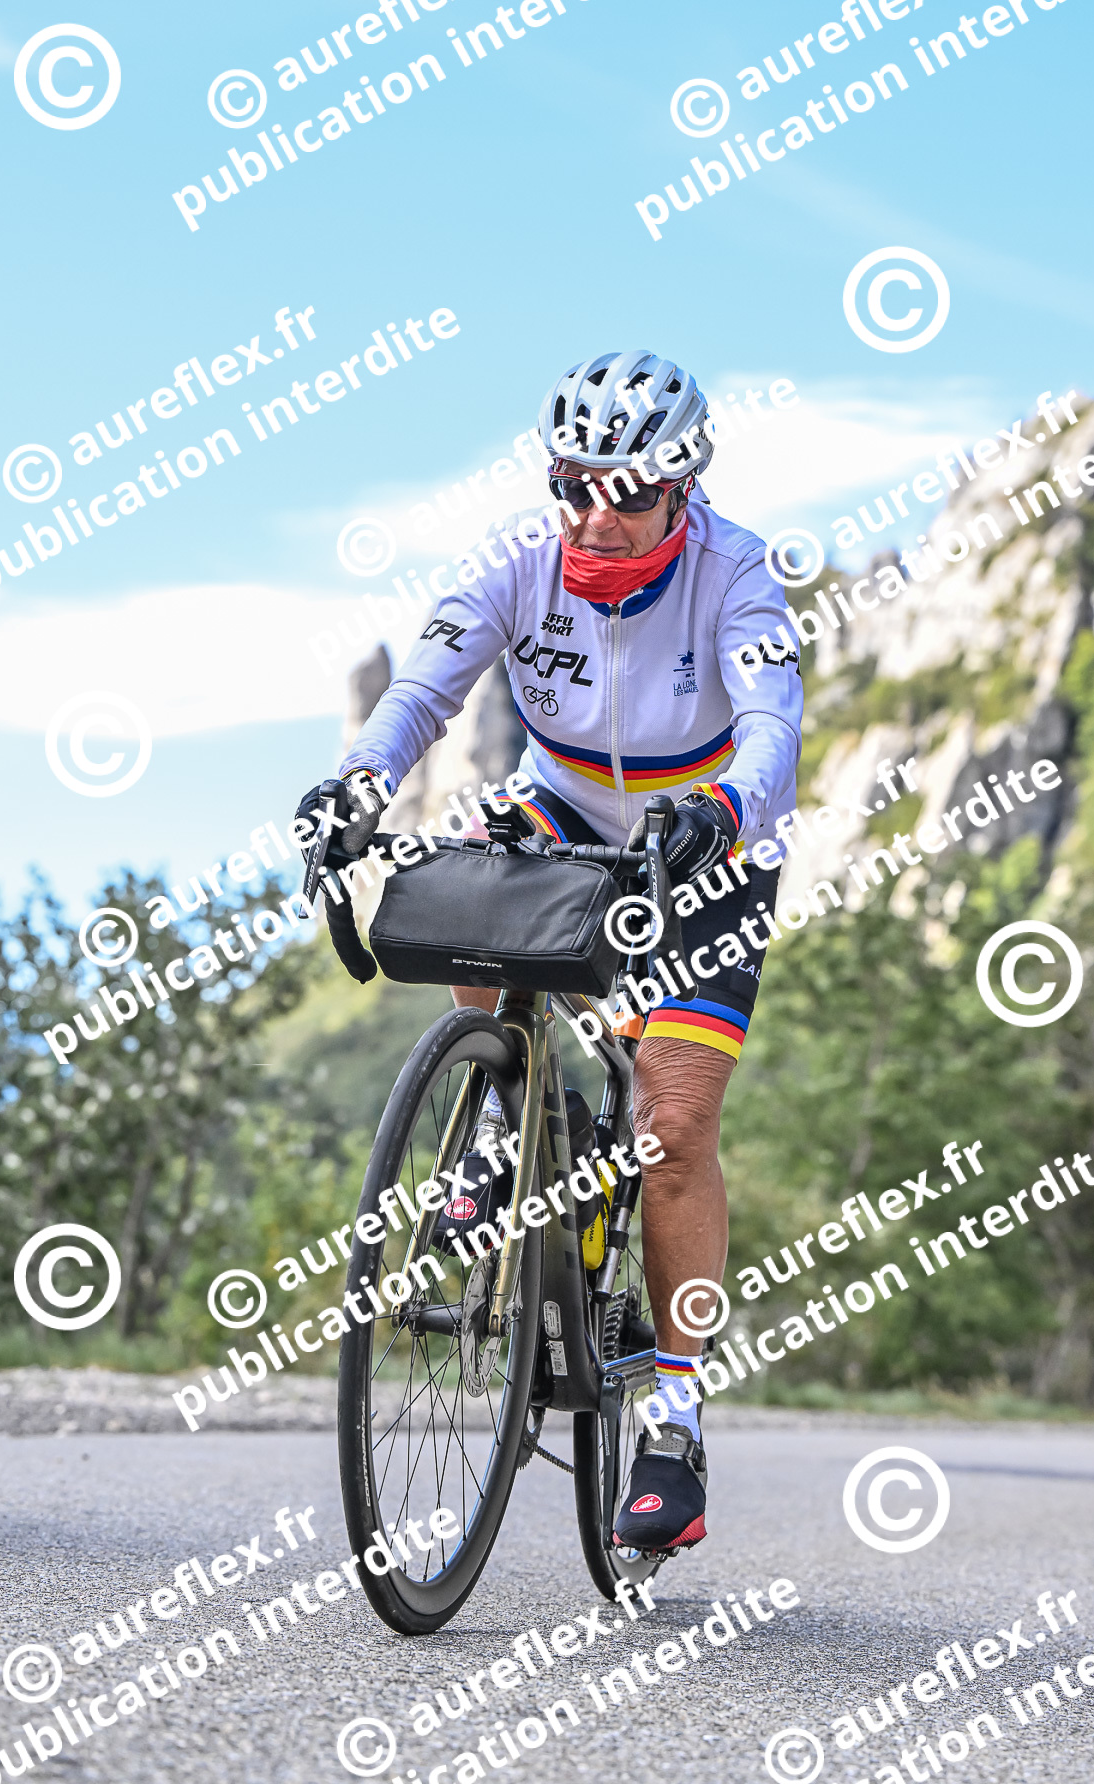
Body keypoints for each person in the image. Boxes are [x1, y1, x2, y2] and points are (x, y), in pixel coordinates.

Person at [297, 349, 803, 1554]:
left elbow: (770, 729)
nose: (594, 514)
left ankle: (671, 1414)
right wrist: (359, 781)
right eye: (573, 483)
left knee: (671, 1126)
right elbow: (421, 692)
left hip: (706, 833)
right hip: (565, 800)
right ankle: (496, 1114)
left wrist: (723, 810)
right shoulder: (517, 561)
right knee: (470, 876)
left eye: (629, 491)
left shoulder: (735, 572)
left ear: (682, 487)